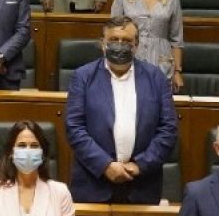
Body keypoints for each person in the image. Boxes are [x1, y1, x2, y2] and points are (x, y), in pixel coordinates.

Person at [63, 16, 178, 204]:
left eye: (126, 41)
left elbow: (168, 129)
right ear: (103, 44)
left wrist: (140, 165)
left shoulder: (155, 77)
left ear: (136, 45)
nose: (120, 45)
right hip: (93, 184)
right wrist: (105, 165)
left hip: (142, 184)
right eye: (114, 40)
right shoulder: (83, 76)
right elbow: (74, 127)